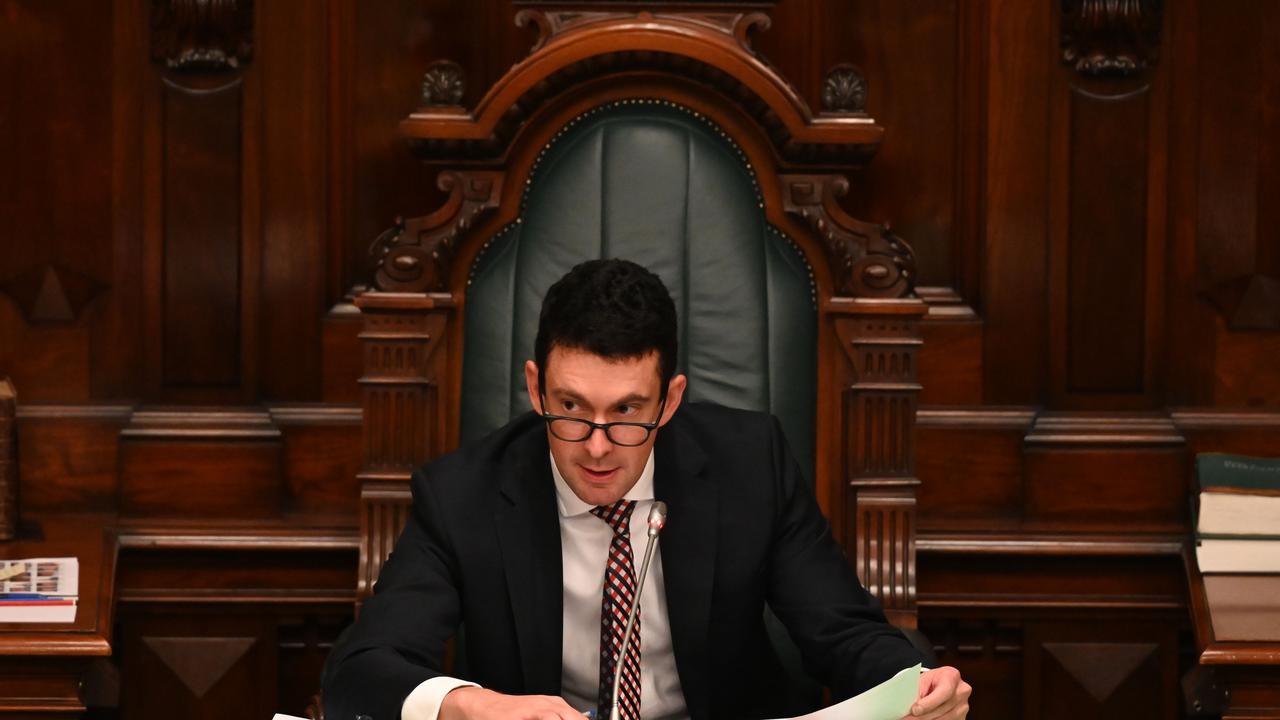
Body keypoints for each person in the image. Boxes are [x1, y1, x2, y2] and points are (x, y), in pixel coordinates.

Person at [323, 259, 971, 720]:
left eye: (628, 412)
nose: (598, 445)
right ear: (533, 387)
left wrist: (914, 686)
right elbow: (360, 670)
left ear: (670, 400)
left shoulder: (750, 464)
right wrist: (469, 707)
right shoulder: (462, 493)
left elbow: (842, 631)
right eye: (570, 407)